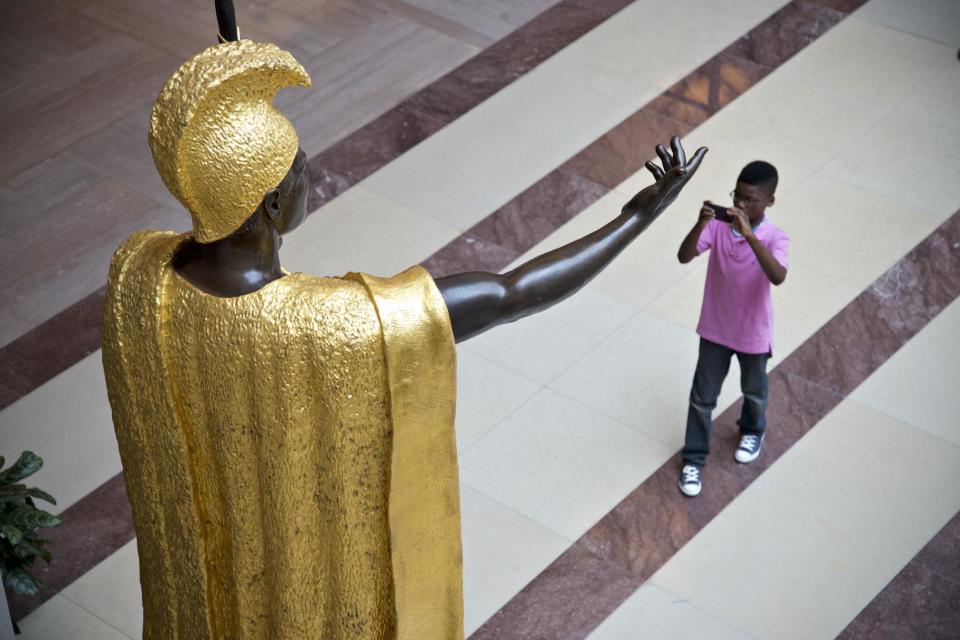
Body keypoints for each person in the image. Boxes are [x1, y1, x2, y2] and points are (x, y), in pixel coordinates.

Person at [101, 17, 708, 640]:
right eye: (301, 170)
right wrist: (641, 213)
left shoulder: (139, 277)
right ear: (274, 206)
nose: (314, 176)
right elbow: (510, 294)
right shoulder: (333, 325)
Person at [676, 161, 789, 497]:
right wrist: (701, 224)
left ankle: (753, 429)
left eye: (750, 200)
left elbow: (778, 276)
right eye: (737, 197)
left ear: (770, 201)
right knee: (702, 399)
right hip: (715, 328)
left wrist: (751, 236)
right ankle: (693, 460)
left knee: (754, 390)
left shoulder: (775, 237)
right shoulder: (719, 228)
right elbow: (684, 256)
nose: (740, 205)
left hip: (753, 332)